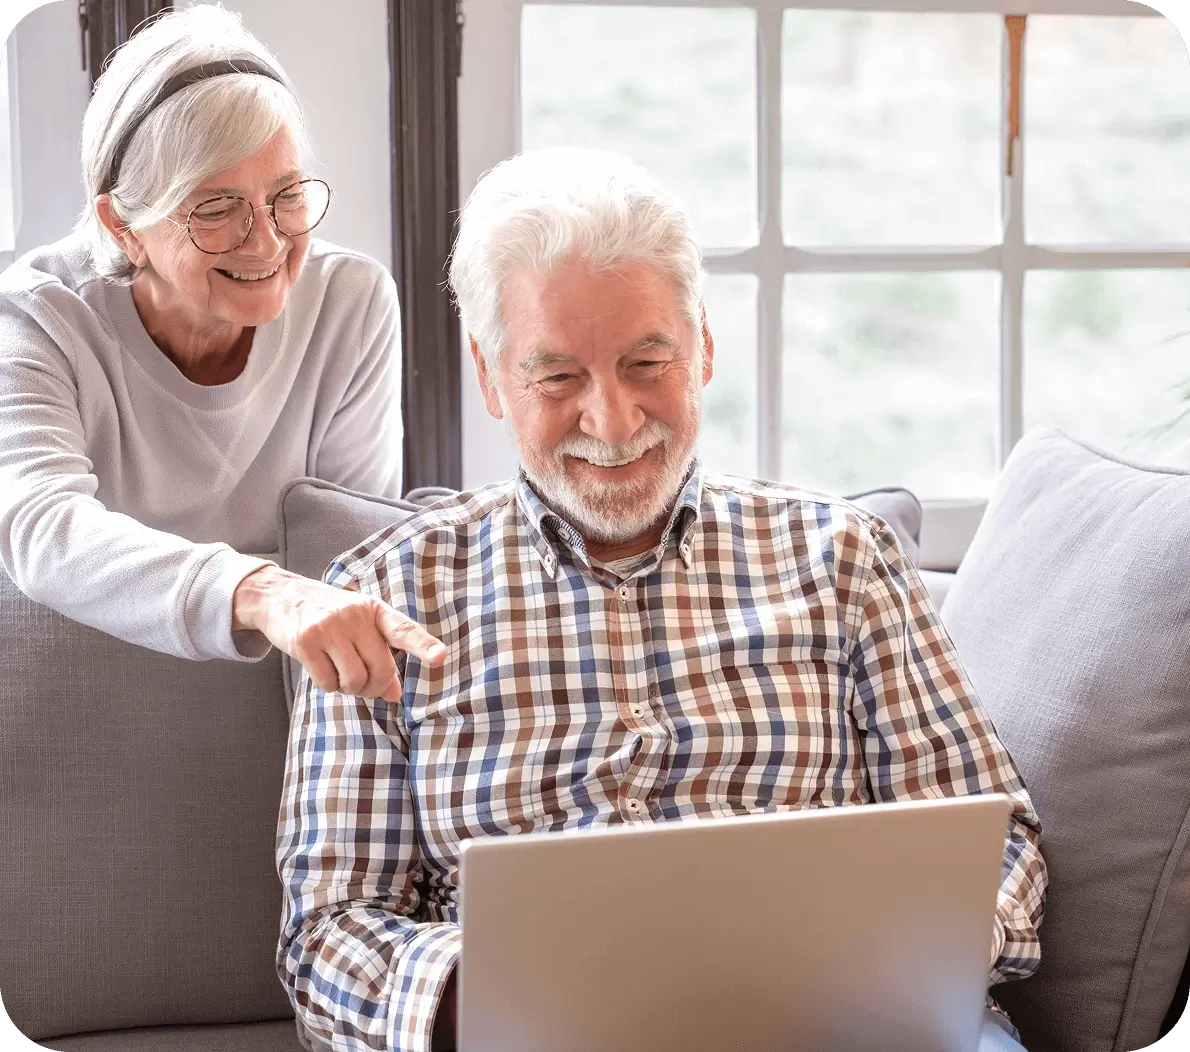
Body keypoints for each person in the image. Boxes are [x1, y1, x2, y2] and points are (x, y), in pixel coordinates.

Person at [275, 147, 1047, 1052]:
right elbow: (328, 934)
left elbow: (1002, 847)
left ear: (704, 347)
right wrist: (497, 993)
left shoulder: (844, 560)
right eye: (557, 378)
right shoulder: (385, 594)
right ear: (491, 377)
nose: (613, 420)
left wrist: (899, 954)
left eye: (647, 362)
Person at [0, 4, 444, 696]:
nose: (265, 243)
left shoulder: (349, 303)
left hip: (288, 699)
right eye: (215, 208)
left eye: (286, 195)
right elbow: (41, 529)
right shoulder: (38, 317)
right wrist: (258, 590)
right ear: (124, 225)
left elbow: (350, 552)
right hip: (83, 691)